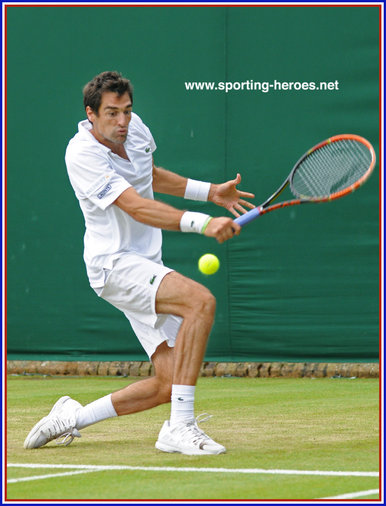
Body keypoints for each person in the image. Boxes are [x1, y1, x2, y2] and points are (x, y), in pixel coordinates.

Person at [24, 71, 255, 455]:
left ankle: (72, 417)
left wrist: (210, 191)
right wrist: (202, 223)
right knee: (201, 302)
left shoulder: (135, 131)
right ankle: (180, 427)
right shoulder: (81, 153)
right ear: (91, 114)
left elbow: (149, 176)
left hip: (144, 262)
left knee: (168, 382)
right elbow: (134, 204)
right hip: (113, 265)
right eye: (112, 113)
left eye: (127, 111)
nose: (122, 122)